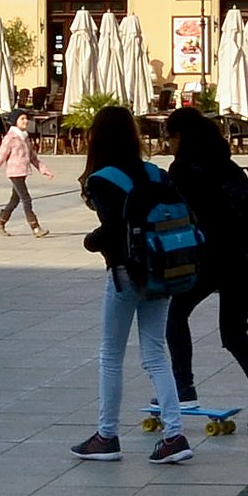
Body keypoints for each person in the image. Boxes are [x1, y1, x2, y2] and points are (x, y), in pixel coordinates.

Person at [72, 104, 190, 466]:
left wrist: (91, 241)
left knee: (111, 355)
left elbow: (112, 231)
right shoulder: (156, 173)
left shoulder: (102, 179)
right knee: (156, 353)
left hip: (125, 275)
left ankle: (107, 435)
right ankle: (174, 433)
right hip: (163, 272)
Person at [163, 107, 248, 432]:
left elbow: (172, 213)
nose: (169, 144)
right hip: (247, 257)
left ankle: (184, 391)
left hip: (213, 259)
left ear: (180, 136)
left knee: (176, 315)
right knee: (235, 333)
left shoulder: (182, 170)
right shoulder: (228, 165)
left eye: (170, 138)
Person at [0, 111, 53, 236]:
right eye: (22, 119)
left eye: (26, 118)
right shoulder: (10, 138)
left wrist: (43, 169)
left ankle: (0, 223)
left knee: (14, 200)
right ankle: (35, 227)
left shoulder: (25, 137)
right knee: (26, 199)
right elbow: (0, 157)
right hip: (14, 173)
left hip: (23, 172)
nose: (25, 121)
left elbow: (33, 157)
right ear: (15, 122)